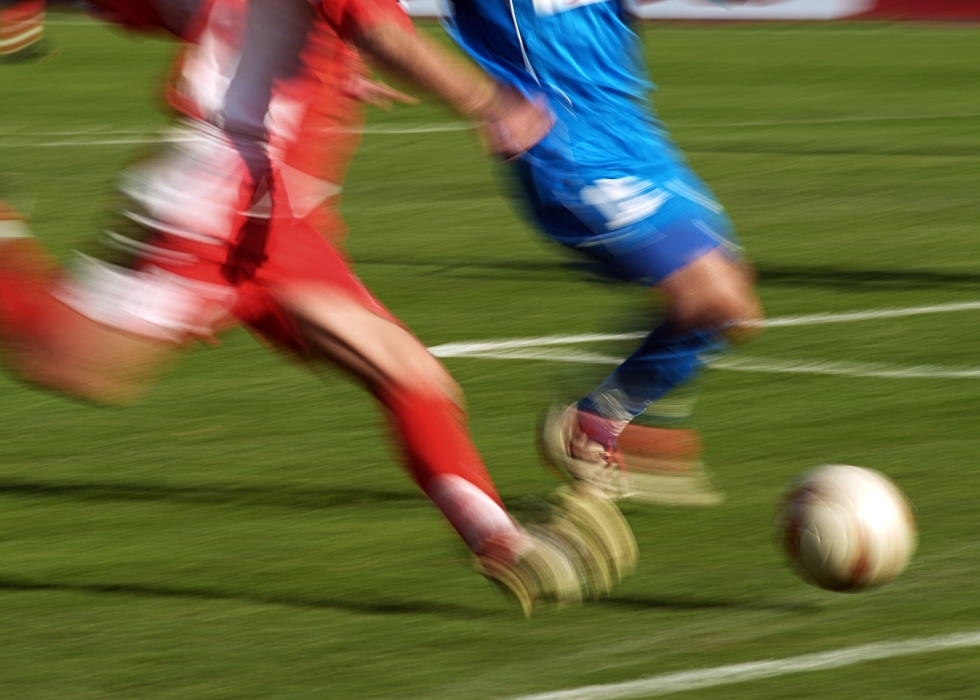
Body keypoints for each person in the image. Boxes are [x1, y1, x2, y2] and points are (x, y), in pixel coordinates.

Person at [0, 0, 636, 615]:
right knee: (77, 364)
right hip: (222, 204)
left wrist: (320, 59)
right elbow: (387, 37)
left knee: (410, 377)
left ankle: (502, 542)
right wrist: (491, 103)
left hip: (279, 215)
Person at [444, 0, 763, 504]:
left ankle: (596, 420)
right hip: (566, 146)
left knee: (734, 308)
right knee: (710, 297)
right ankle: (591, 423)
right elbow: (371, 17)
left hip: (635, 138)